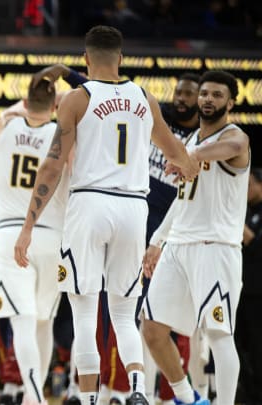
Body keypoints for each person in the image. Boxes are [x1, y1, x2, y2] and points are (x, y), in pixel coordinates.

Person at [13, 25, 198, 405]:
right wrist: (187, 167)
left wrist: (28, 226)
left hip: (90, 204)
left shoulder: (77, 99)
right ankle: (136, 392)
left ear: (85, 58)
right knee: (125, 310)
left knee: (84, 310)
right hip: (134, 208)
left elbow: (51, 166)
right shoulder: (144, 97)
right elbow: (177, 153)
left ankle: (90, 399)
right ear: (122, 59)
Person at [141, 70, 249, 405]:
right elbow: (180, 202)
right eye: (205, 94)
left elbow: (229, 148)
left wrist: (191, 156)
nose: (208, 100)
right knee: (153, 329)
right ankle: (188, 398)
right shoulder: (188, 143)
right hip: (178, 246)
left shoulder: (237, 138)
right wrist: (157, 241)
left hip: (216, 248)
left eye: (217, 95)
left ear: (230, 102)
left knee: (219, 334)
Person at [0, 78, 68, 405]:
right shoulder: (64, 134)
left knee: (21, 321)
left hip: (11, 233)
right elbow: (68, 101)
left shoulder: (6, 125)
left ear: (25, 100)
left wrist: (42, 85)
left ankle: (34, 397)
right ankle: (33, 398)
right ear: (54, 105)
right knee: (43, 321)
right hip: (52, 235)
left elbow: (14, 110)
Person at [237, 167, 262, 404]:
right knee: (238, 343)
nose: (245, 191)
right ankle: (246, 394)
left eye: (249, 185)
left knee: (257, 346)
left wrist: (234, 219)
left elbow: (255, 244)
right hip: (241, 290)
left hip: (258, 294)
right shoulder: (246, 211)